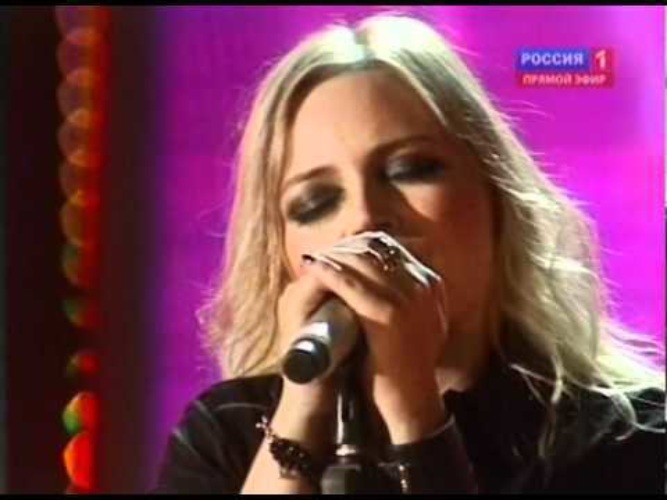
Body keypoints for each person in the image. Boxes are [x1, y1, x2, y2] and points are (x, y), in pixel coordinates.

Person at [153, 13, 665, 494]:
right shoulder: (224, 439)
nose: (365, 218)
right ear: (284, 257)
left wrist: (413, 412)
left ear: (496, 194)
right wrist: (300, 415)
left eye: (410, 169)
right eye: (316, 202)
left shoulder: (631, 438)